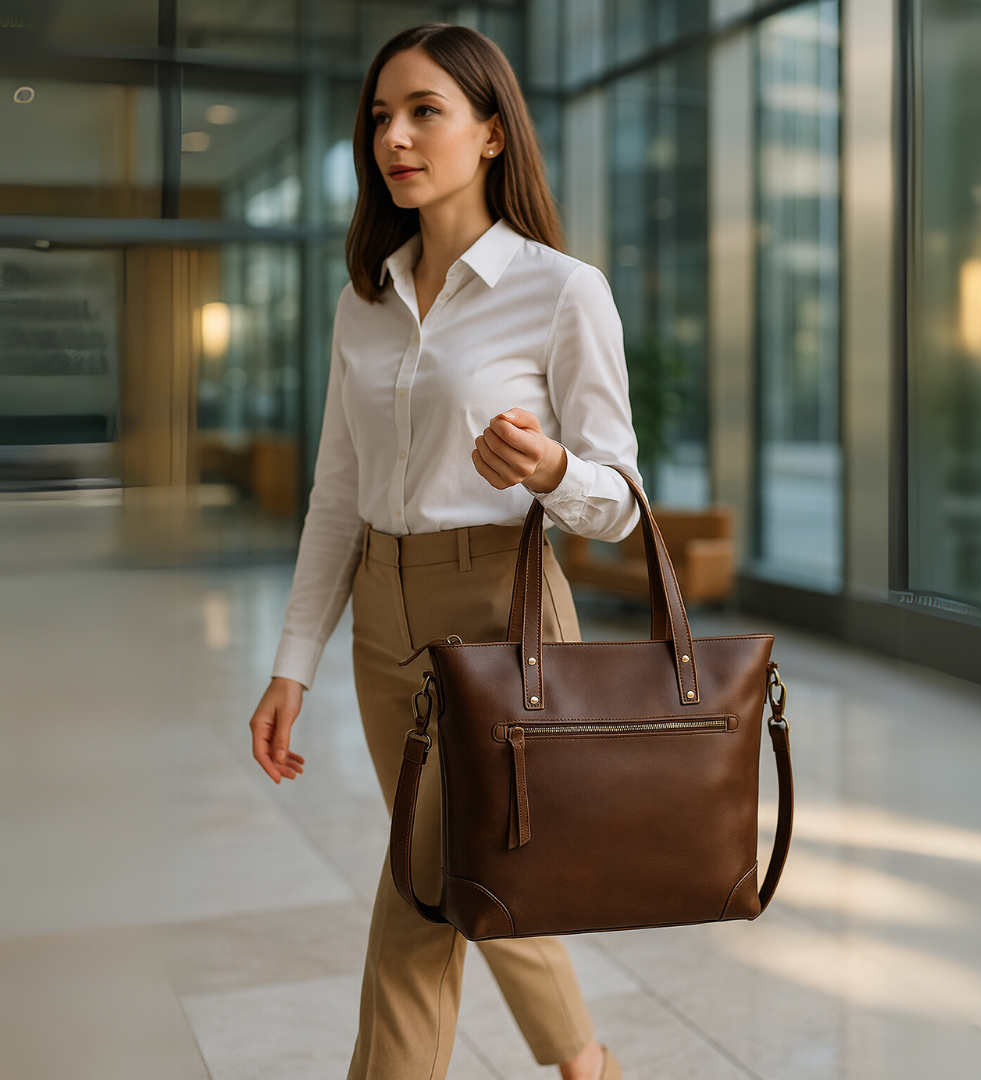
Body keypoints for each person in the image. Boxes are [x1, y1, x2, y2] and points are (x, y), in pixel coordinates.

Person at [247, 22, 640, 1080]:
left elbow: (622, 504)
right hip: (385, 611)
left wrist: (552, 471)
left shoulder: (562, 289)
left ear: (494, 133)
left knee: (421, 879)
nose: (395, 138)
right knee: (467, 861)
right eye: (381, 116)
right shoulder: (362, 300)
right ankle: (584, 1058)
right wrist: (294, 663)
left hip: (501, 610)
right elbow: (336, 495)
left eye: (426, 111)